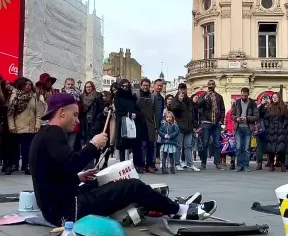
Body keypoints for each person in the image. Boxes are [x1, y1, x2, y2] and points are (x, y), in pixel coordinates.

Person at [29, 93, 216, 227]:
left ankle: (161, 202)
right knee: (131, 185)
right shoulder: (54, 133)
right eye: (75, 115)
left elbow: (52, 173)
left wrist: (79, 177)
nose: (77, 120)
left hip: (57, 208)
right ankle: (181, 210)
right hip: (67, 211)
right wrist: (94, 145)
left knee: (104, 180)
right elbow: (71, 162)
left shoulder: (44, 134)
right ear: (62, 113)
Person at [263, 92, 288, 172]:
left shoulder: (284, 107)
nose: (274, 98)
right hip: (271, 128)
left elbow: (287, 118)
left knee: (282, 147)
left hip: (281, 128)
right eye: (273, 97)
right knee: (271, 147)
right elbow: (265, 119)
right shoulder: (269, 107)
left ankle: (282, 164)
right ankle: (271, 164)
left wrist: (283, 126)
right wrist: (268, 126)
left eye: (276, 97)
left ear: (279, 98)